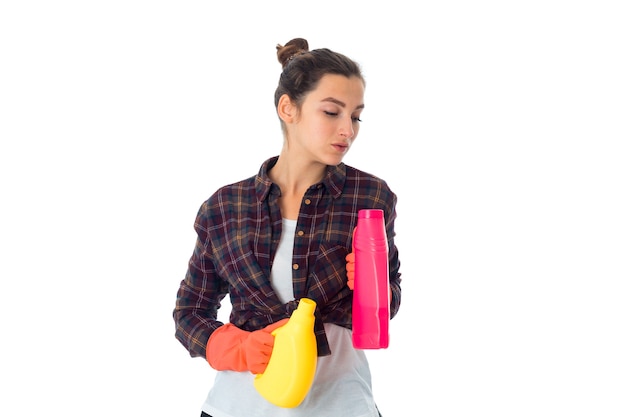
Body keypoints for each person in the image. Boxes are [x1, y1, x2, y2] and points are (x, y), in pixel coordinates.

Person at [173, 37, 402, 417]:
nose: (348, 129)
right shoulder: (225, 207)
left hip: (341, 406)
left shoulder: (370, 196)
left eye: (356, 115)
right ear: (287, 108)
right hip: (238, 407)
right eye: (332, 112)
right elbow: (190, 311)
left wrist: (373, 290)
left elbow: (389, 302)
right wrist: (232, 346)